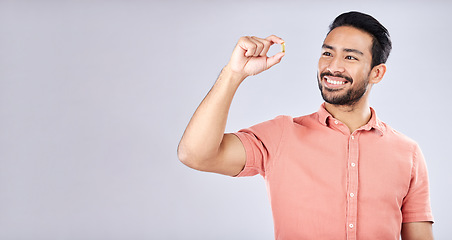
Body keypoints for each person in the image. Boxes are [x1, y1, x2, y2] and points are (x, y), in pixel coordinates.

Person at [177, 11, 434, 239]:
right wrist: (234, 73)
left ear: (376, 73)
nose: (333, 66)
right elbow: (195, 155)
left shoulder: (408, 153)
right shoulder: (281, 135)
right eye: (327, 53)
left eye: (350, 58)